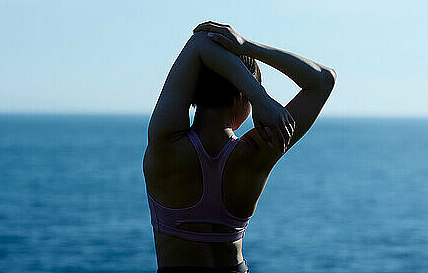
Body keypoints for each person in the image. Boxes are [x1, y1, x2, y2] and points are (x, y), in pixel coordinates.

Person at [143, 21, 336, 272]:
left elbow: (199, 42)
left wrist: (258, 96)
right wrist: (248, 49)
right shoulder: (259, 151)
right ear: (241, 95)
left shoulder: (166, 143)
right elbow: (323, 80)